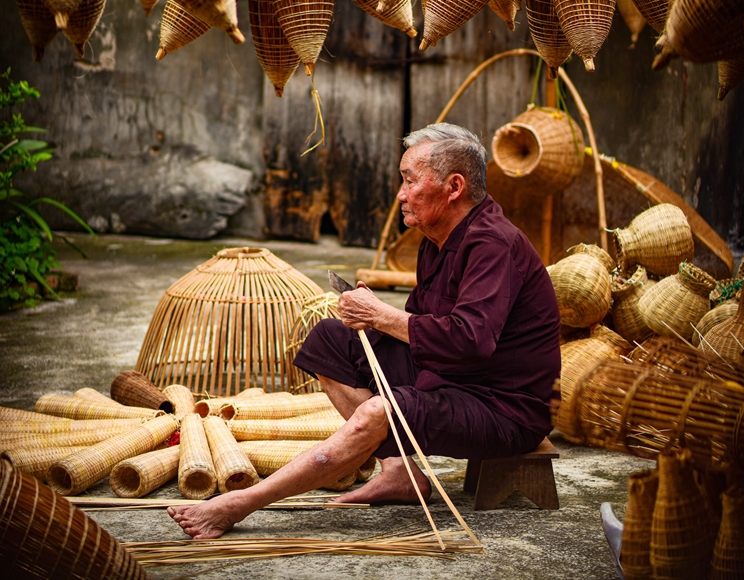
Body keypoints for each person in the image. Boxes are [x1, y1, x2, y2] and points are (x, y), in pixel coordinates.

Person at [168, 123, 561, 539]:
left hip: (501, 406)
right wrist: (370, 317)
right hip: (453, 374)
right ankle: (400, 472)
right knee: (330, 340)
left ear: (454, 186)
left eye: (410, 180)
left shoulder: (492, 243)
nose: (401, 193)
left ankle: (240, 504)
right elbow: (424, 325)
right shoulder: (436, 237)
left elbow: (469, 340)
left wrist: (379, 315)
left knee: (378, 412)